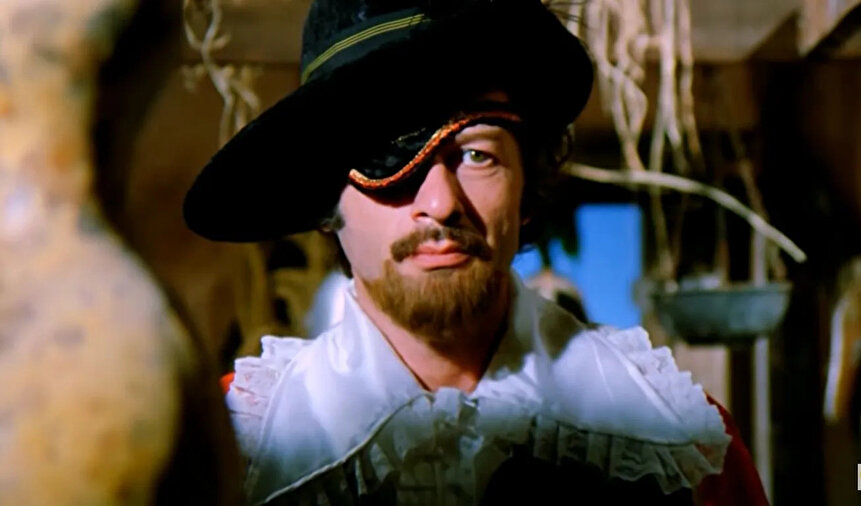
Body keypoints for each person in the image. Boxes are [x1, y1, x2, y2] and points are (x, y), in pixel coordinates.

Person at [184, 0, 768, 504]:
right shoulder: (226, 450)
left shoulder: (683, 447)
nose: (440, 203)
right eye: (389, 160)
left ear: (525, 186)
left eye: (477, 155)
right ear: (325, 200)